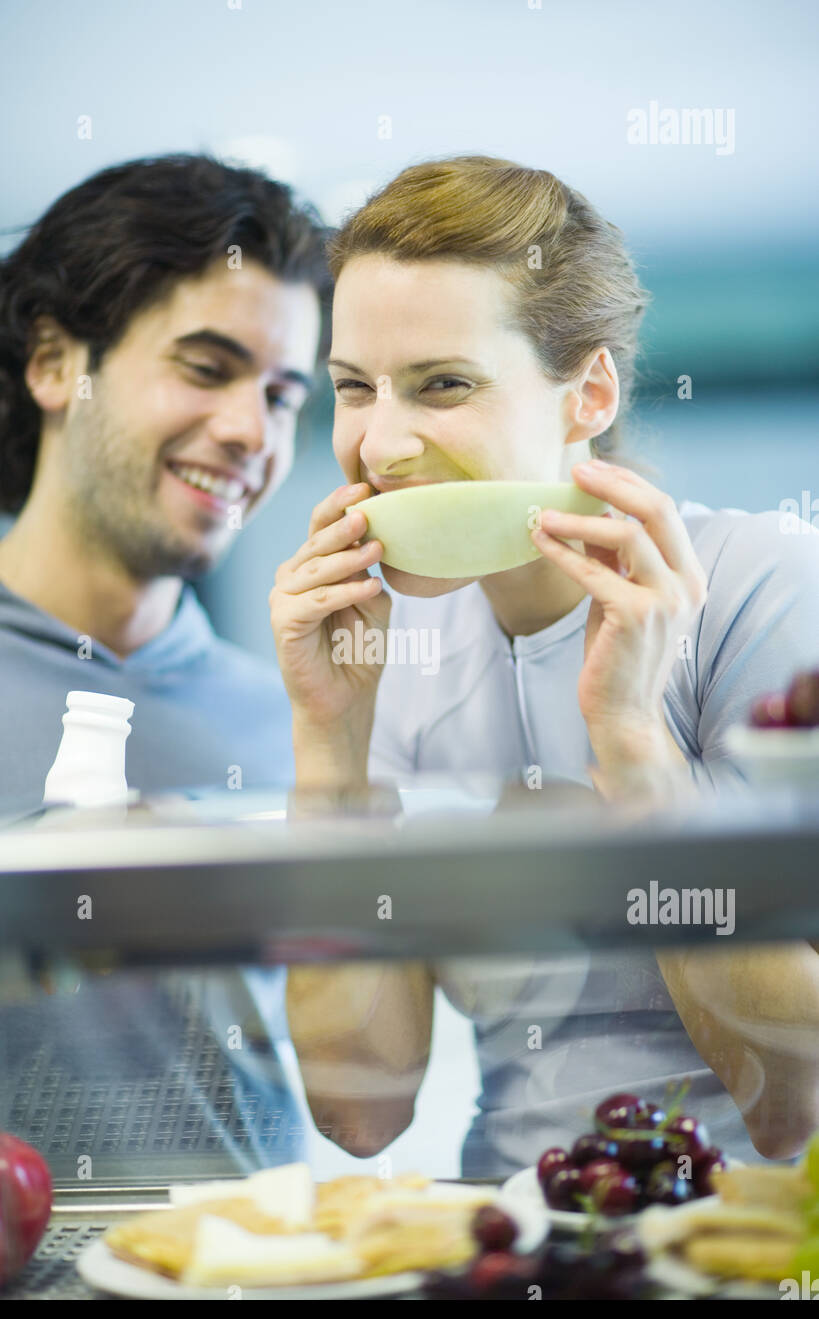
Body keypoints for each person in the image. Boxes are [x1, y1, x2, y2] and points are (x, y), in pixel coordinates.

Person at [271, 155, 819, 1178]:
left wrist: (633, 743)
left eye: (445, 384)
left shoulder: (760, 582)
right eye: (353, 389)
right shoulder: (382, 645)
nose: (381, 444)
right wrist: (331, 744)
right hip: (509, 1230)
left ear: (590, 393)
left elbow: (789, 1104)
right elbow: (360, 1111)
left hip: (752, 1240)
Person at [0, 154, 330, 1172]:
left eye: (285, 394)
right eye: (207, 369)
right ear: (52, 363)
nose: (252, 431)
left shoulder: (288, 720)